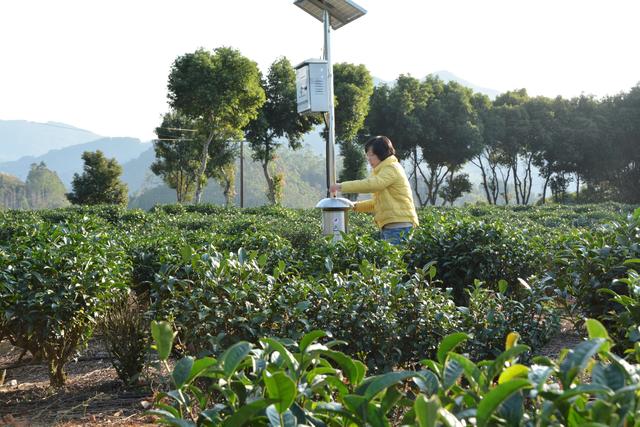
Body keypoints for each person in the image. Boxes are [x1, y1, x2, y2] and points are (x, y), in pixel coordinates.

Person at [330, 135, 418, 245]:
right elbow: (377, 203)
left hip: (398, 226)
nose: (369, 159)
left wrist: (341, 186)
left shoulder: (391, 168)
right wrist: (353, 205)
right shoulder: (382, 171)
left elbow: (372, 185)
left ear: (381, 153)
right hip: (390, 226)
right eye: (367, 156)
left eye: (371, 155)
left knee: (393, 261)